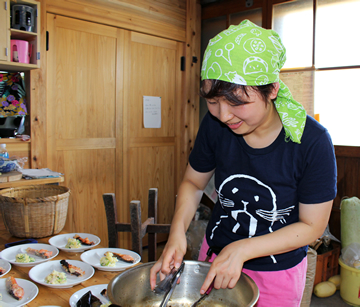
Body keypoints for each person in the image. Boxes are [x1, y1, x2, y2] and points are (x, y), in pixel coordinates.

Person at [150, 19, 337, 306]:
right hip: (214, 258)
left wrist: (243, 249)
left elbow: (312, 226)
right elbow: (193, 181)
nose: (224, 115)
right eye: (213, 102)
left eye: (237, 102)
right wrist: (177, 233)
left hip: (277, 273)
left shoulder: (311, 142)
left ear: (272, 89)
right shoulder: (215, 126)